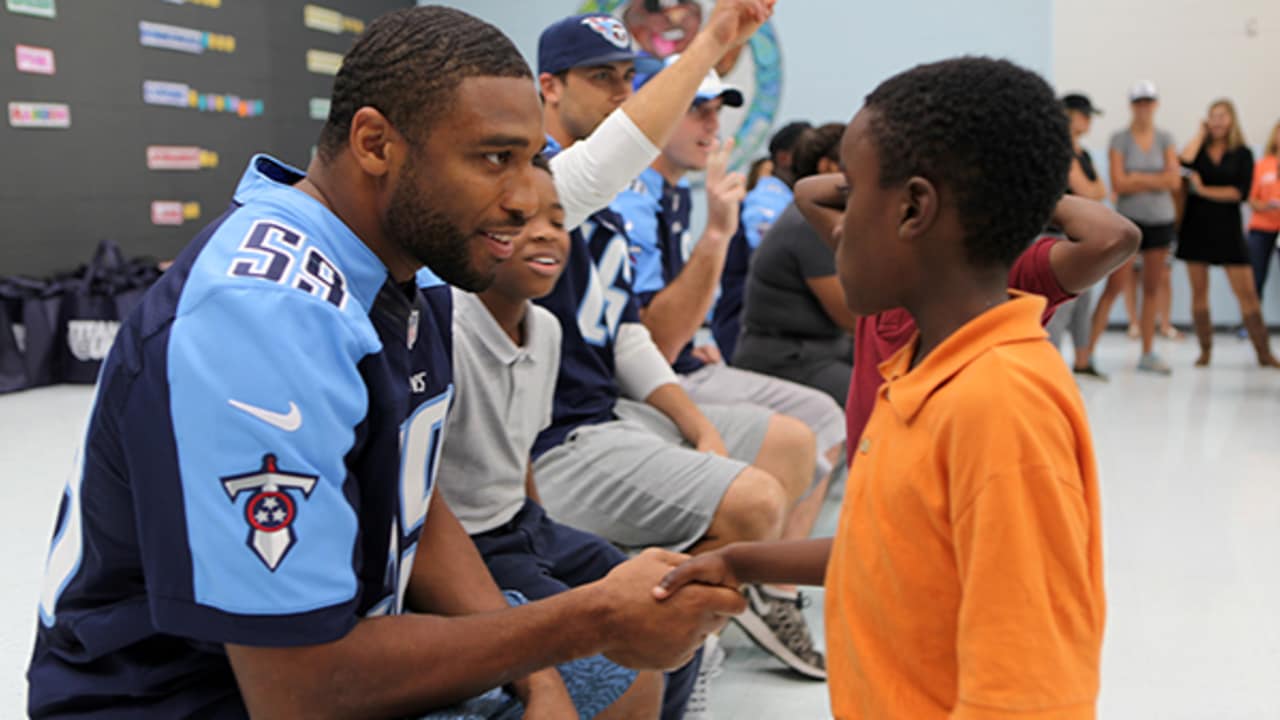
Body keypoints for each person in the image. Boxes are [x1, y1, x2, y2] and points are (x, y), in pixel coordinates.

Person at [26, 8, 747, 719]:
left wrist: (544, 675)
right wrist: (584, 623)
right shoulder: (265, 317)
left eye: (533, 161)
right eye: (495, 159)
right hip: (182, 695)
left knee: (624, 677)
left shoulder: (406, 266)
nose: (529, 198)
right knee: (613, 656)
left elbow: (410, 500)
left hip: (306, 661)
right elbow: (300, 693)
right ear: (376, 143)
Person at [655, 56, 1108, 720]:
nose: (835, 228)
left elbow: (1028, 698)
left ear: (914, 209)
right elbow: (893, 549)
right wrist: (742, 562)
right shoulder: (918, 373)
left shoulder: (1001, 407)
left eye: (853, 195)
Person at [534, 3, 831, 683]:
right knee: (755, 501)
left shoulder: (612, 205)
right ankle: (663, 651)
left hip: (604, 409)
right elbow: (597, 170)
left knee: (792, 441)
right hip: (551, 440)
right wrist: (715, 39)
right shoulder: (533, 180)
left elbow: (626, 332)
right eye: (600, 77)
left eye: (625, 77)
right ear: (549, 86)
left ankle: (712, 621)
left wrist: (696, 426)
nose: (620, 91)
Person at [610, 62, 846, 575]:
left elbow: (655, 316)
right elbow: (653, 341)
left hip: (689, 358)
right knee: (807, 428)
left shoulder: (665, 193)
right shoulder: (633, 197)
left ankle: (768, 584)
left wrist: (695, 331)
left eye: (717, 111)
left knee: (825, 416)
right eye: (698, 111)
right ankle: (759, 579)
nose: (713, 126)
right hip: (642, 384)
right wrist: (718, 233)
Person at [731, 122, 854, 403]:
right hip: (789, 359)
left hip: (819, 350)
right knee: (888, 402)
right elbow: (852, 317)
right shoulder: (808, 225)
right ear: (827, 167)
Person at [1084, 81, 1182, 375]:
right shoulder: (1120, 139)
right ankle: (1086, 352)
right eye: (1138, 102)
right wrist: (1154, 178)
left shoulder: (1165, 138)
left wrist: (1137, 177)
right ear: (1132, 106)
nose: (1143, 108)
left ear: (1155, 105)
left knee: (1152, 287)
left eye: (1148, 102)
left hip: (1160, 221)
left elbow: (1174, 181)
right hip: (1128, 224)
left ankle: (1148, 352)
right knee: (1114, 286)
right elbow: (1119, 183)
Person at [1177, 99, 1279, 367]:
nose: (1217, 121)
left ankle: (1264, 352)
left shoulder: (1242, 153)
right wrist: (1199, 135)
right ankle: (1205, 350)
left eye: (1222, 116)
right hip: (1196, 226)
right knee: (1199, 293)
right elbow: (1182, 163)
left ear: (1232, 120)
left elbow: (1238, 193)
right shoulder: (1199, 150)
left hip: (1228, 229)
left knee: (1247, 293)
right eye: (1212, 116)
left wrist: (1202, 190)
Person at [712, 120, 813, 357]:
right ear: (785, 158)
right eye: (810, 150)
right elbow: (779, 267)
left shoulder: (792, 203)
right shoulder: (765, 203)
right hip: (746, 329)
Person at [1047, 93, 1111, 379]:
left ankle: (1083, 362)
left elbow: (1100, 190)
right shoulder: (1059, 150)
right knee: (1060, 308)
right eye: (1085, 115)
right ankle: (1052, 370)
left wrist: (1094, 191)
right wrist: (1094, 191)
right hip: (1056, 239)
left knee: (1082, 304)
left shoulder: (1082, 154)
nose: (1089, 121)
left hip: (1079, 239)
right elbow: (1089, 191)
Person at [1246, 119, 1280, 301]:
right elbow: (1251, 199)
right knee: (1255, 277)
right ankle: (1250, 324)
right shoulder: (1262, 165)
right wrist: (1266, 206)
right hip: (1262, 226)